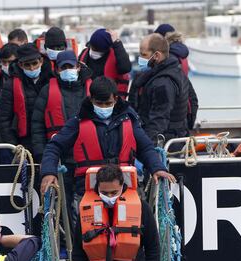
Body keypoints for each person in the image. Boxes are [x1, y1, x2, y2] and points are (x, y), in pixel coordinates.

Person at [39, 77, 174, 224]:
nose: (104, 107)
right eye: (99, 103)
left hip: (124, 186)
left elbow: (146, 147)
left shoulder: (129, 119)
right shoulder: (77, 122)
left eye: (108, 103)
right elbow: (54, 146)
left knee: (130, 233)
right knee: (91, 236)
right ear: (91, 100)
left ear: (116, 99)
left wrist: (157, 168)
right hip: (88, 189)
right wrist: (49, 172)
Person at [31, 50, 92, 161]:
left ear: (78, 67)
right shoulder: (47, 90)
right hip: (59, 154)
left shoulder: (92, 89)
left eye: (71, 66)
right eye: (63, 67)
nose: (67, 70)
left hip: (88, 153)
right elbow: (37, 125)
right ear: (57, 70)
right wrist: (41, 154)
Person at [128, 33, 190, 143]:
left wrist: (145, 148)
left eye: (144, 55)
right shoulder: (176, 72)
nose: (140, 59)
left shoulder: (162, 84)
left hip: (166, 142)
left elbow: (158, 122)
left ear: (156, 56)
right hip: (176, 135)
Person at [0, 43, 53, 155]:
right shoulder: (10, 85)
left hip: (49, 138)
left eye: (35, 63)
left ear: (41, 61)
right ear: (20, 65)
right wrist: (14, 146)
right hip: (24, 141)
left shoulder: (51, 79)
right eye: (27, 65)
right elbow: (4, 119)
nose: (32, 68)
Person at [79, 28, 132, 98]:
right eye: (93, 48)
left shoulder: (116, 55)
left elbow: (125, 68)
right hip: (88, 98)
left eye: (98, 50)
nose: (94, 51)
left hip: (108, 99)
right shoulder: (84, 53)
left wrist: (117, 42)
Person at [163, 30, 199, 130]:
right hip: (186, 105)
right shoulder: (183, 56)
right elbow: (193, 99)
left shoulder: (169, 57)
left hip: (175, 111)